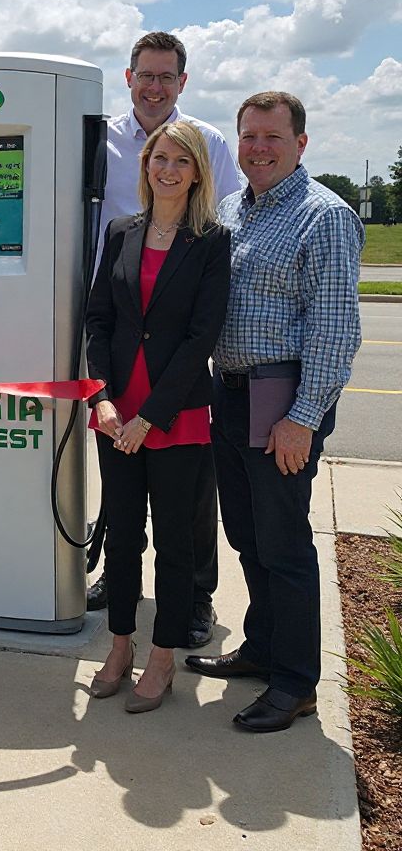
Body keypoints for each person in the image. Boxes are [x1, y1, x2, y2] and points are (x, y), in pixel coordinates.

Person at [186, 92, 363, 733]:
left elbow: (336, 329)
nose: (258, 148)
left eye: (272, 137)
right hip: (229, 394)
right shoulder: (233, 210)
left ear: (300, 144)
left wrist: (303, 416)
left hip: (281, 399)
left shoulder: (325, 217)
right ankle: (263, 648)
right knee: (247, 536)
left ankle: (296, 683)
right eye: (249, 136)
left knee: (284, 545)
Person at [87, 31, 241, 652]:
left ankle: (196, 595)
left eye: (167, 77)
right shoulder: (96, 141)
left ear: (182, 82)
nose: (155, 86)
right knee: (122, 493)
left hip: (180, 320)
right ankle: (118, 585)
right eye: (145, 75)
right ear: (128, 78)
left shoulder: (207, 142)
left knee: (188, 500)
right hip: (120, 307)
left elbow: (232, 216)